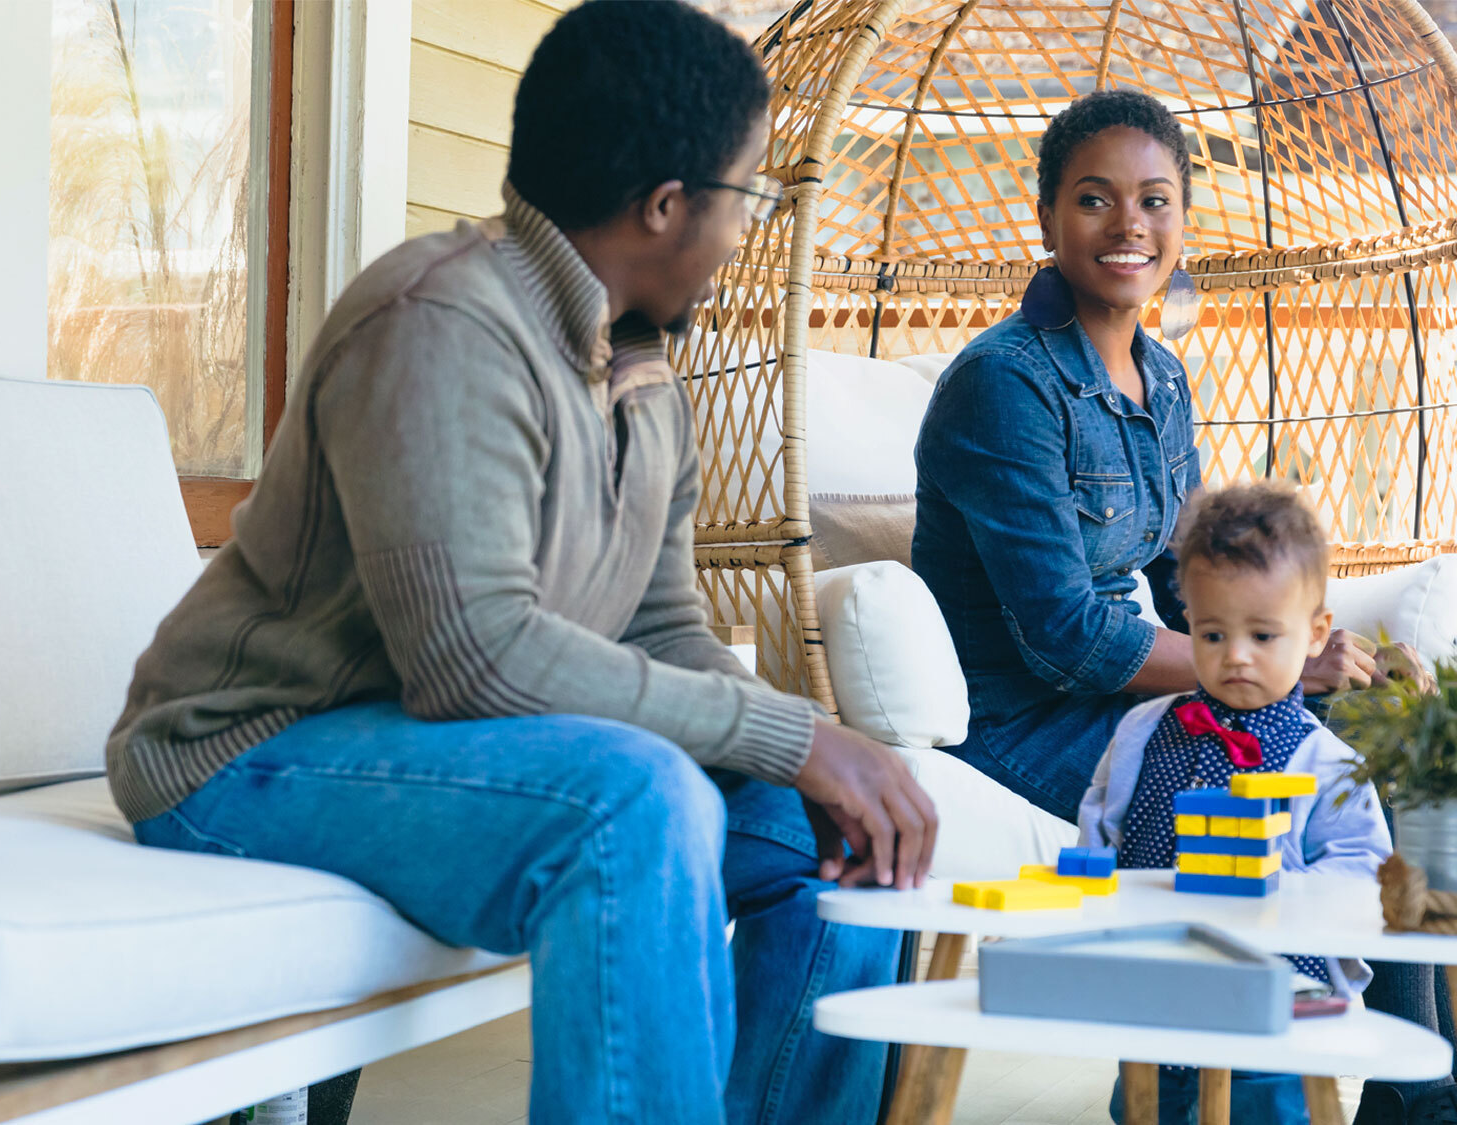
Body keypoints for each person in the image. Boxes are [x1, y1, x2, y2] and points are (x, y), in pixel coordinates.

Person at [106, 4, 937, 1123]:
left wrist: (813, 757)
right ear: (664, 204)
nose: (747, 231)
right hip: (247, 750)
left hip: (428, 745)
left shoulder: (640, 366)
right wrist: (796, 733)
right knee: (630, 803)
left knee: (810, 828)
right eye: (746, 196)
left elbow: (661, 631)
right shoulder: (438, 325)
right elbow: (474, 660)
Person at [914, 89, 1457, 1125]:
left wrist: (1294, 643)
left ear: (1181, 221)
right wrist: (1273, 672)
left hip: (1125, 694)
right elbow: (1065, 637)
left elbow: (1184, 582)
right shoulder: (1003, 386)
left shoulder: (1157, 377)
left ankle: (1411, 1086)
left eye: (1154, 200)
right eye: (1093, 198)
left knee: (1365, 731)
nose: (1128, 225)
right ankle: (1404, 1096)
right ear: (1045, 217)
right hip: (1014, 717)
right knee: (1268, 759)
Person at [1077, 481, 1390, 1124]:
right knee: (1148, 1112)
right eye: (1213, 635)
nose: (1236, 657)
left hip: (1279, 1003)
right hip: (1157, 992)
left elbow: (1365, 873)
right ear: (1188, 622)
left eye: (1263, 636)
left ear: (1314, 633)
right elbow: (1100, 830)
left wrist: (1287, 887)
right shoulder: (1143, 731)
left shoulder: (1325, 760)